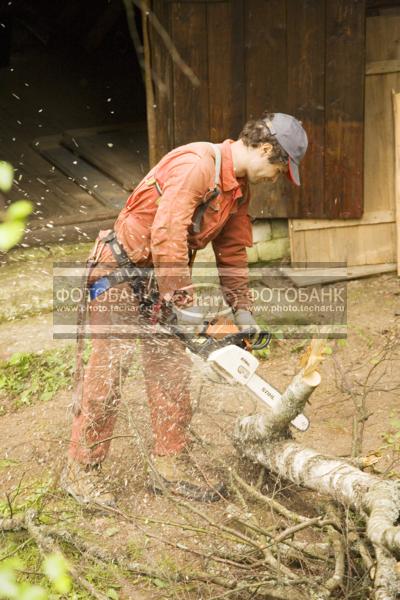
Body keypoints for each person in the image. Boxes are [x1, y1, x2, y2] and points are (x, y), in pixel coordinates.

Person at [61, 111, 308, 506]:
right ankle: (81, 469)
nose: (277, 177)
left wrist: (242, 310)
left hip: (159, 283)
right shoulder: (198, 165)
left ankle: (169, 463)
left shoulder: (238, 189)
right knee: (107, 375)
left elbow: (231, 250)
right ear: (265, 150)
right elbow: (167, 231)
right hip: (120, 276)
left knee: (171, 372)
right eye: (280, 169)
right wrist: (181, 300)